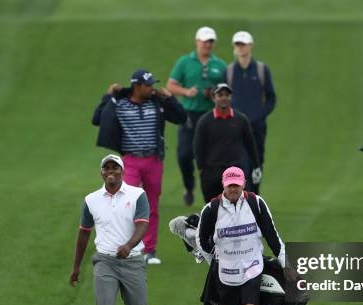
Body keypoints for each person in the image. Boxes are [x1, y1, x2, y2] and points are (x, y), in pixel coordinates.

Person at [92, 69, 187, 265]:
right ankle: (126, 247)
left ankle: (149, 250)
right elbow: (96, 119)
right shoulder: (120, 103)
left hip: (153, 160)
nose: (152, 87)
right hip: (130, 161)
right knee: (127, 204)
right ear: (137, 86)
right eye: (148, 85)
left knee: (151, 205)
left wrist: (170, 99)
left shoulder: (157, 102)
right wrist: (108, 95)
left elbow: (181, 118)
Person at [196, 167, 286, 305]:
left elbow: (271, 233)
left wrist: (284, 261)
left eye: (236, 184)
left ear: (243, 184)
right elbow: (201, 240)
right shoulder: (211, 209)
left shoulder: (256, 203)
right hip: (225, 269)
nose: (233, 189)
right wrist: (213, 259)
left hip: (252, 265)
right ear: (224, 185)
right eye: (230, 185)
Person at [70, 154, 151, 305]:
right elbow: (84, 233)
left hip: (132, 261)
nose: (111, 172)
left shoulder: (137, 195)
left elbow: (143, 225)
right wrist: (76, 266)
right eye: (107, 168)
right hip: (105, 261)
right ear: (101, 173)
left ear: (122, 172)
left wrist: (129, 245)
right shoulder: (91, 200)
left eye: (115, 168)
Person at [167, 26, 227, 206]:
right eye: (204, 41)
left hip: (211, 117)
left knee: (209, 158)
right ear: (197, 41)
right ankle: (189, 185)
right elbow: (171, 86)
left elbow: (227, 92)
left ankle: (210, 195)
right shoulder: (185, 62)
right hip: (188, 116)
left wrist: (215, 94)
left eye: (210, 41)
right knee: (184, 155)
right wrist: (186, 92)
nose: (207, 44)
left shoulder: (220, 65)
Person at [223, 31, 276, 194]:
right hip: (235, 127)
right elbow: (224, 98)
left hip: (257, 127)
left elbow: (271, 97)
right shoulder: (230, 71)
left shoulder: (261, 70)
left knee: (256, 162)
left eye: (243, 44)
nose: (240, 48)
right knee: (239, 162)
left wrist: (261, 115)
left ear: (250, 46)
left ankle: (255, 195)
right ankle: (244, 196)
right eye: (237, 44)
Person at [193, 83, 261, 203]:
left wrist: (256, 166)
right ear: (214, 98)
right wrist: (202, 169)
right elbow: (199, 147)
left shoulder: (241, 119)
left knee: (241, 208)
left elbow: (250, 144)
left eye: (227, 95)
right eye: (220, 95)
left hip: (237, 172)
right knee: (213, 211)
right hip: (213, 173)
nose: (224, 97)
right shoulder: (205, 121)